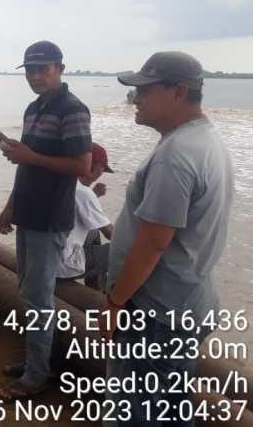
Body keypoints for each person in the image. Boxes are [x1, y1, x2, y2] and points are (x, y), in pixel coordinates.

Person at [99, 52, 233, 426]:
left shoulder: (176, 155)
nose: (135, 98)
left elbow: (154, 242)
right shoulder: (207, 142)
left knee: (138, 414)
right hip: (187, 302)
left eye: (145, 89)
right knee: (170, 410)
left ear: (177, 91)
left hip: (156, 314)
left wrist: (114, 302)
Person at [0, 40, 92, 400]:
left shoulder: (73, 110)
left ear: (60, 69)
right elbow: (25, 162)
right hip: (29, 214)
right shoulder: (34, 109)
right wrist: (10, 206)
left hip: (51, 218)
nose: (36, 76)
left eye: (44, 69)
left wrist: (30, 156)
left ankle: (37, 376)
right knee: (30, 293)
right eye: (31, 70)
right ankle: (38, 362)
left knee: (39, 299)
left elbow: (82, 167)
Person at [57, 142, 114, 285]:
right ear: (93, 166)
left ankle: (94, 286)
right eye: (102, 169)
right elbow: (111, 234)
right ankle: (103, 294)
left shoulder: (60, 180)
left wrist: (93, 194)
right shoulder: (84, 193)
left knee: (93, 232)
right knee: (121, 250)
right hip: (63, 268)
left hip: (46, 257)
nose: (101, 174)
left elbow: (74, 203)